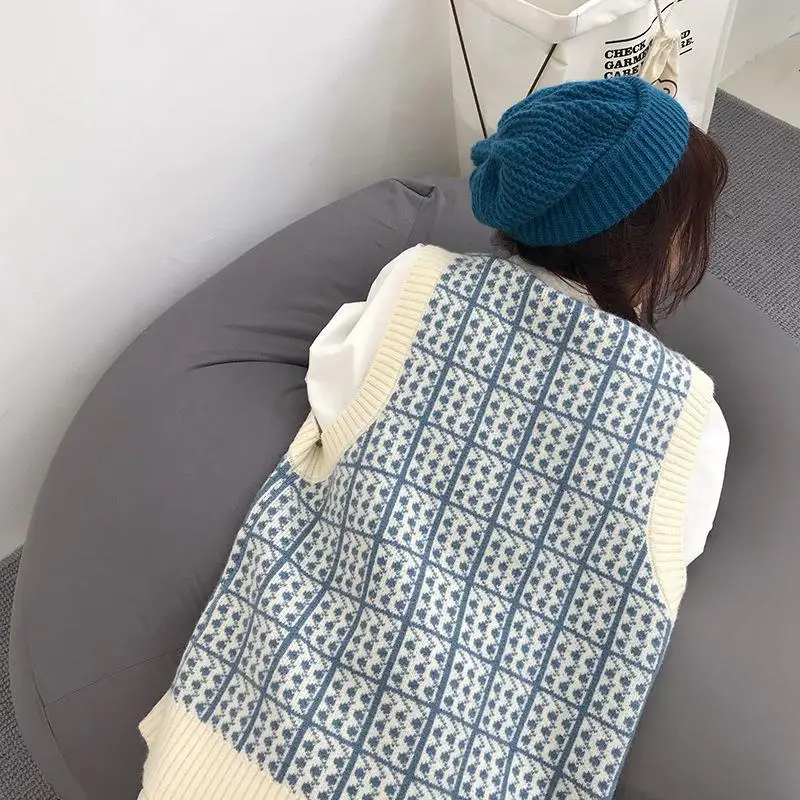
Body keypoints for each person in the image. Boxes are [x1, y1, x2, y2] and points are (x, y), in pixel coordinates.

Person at [140, 78, 730, 800]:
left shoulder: (418, 280)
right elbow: (673, 547)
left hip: (252, 737)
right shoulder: (688, 416)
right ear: (652, 243)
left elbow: (332, 388)